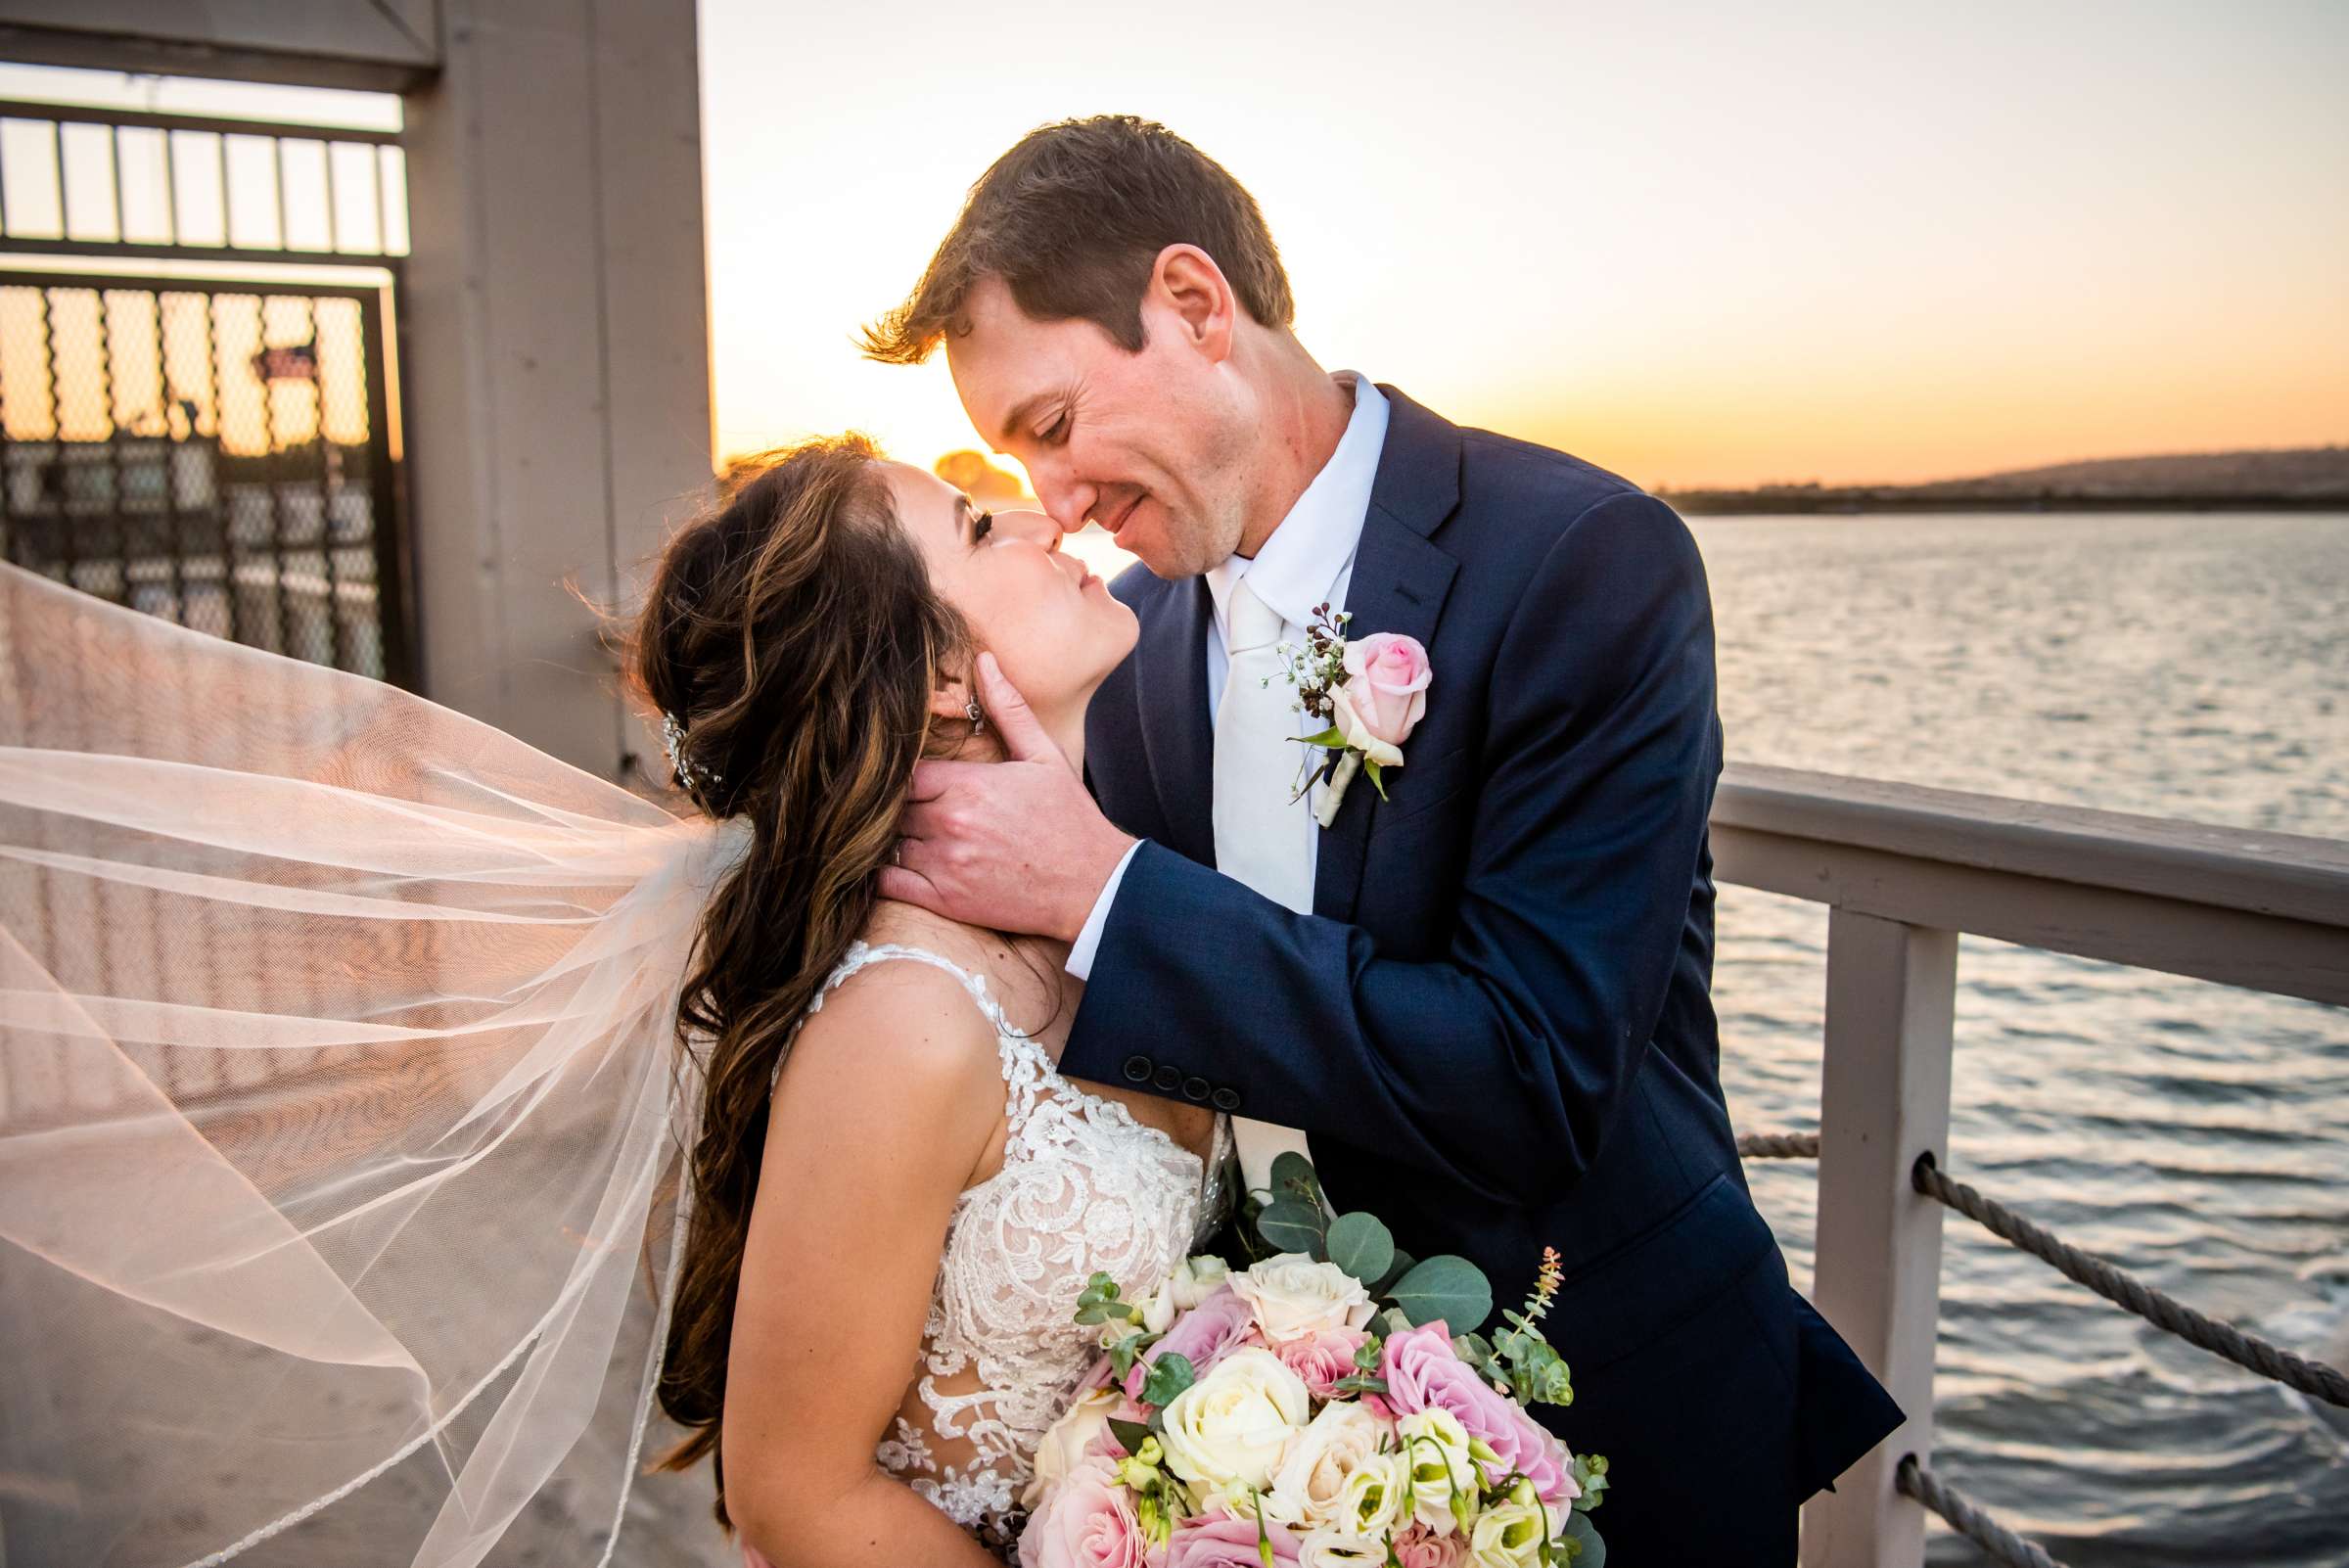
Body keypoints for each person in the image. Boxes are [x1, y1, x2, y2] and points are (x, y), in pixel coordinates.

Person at [864, 115, 1904, 1561]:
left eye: (1053, 427)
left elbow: (1535, 1075)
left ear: (1192, 303)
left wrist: (1104, 891)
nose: (1058, 503)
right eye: (1010, 464)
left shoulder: (1584, 561)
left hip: (1616, 1401)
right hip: (1274, 1453)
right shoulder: (1137, 640)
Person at [0, 437, 1228, 1568]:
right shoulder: (908, 1027)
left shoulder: (1117, 910)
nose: (1035, 518)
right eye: (975, 526)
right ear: (940, 679)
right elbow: (792, 1495)